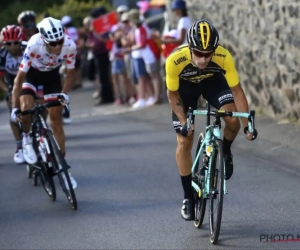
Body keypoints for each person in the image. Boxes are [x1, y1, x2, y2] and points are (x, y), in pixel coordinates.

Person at [165, 19, 258, 220]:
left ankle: (225, 150)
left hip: (213, 83)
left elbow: (237, 90)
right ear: (190, 48)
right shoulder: (174, 60)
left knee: (231, 120)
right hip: (185, 89)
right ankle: (188, 196)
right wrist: (183, 121)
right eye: (198, 53)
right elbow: (172, 94)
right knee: (184, 139)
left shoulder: (223, 56)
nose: (204, 59)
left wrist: (246, 125)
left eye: (208, 53)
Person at [11, 17, 77, 189]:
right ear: (44, 40)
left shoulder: (70, 45)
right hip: (32, 74)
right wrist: (15, 108)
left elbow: (70, 75)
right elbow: (19, 80)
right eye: (53, 43)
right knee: (26, 107)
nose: (57, 46)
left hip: (52, 77)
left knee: (56, 120)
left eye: (60, 41)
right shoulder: (34, 44)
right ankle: (26, 139)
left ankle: (63, 168)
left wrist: (64, 94)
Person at [0, 25, 26, 163]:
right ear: (4, 44)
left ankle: (40, 133)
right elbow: (0, 79)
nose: (13, 46)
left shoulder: (28, 48)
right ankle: (19, 147)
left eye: (16, 42)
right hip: (11, 82)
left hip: (30, 79)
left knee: (38, 105)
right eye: (9, 44)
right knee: (13, 115)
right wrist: (8, 91)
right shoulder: (2, 55)